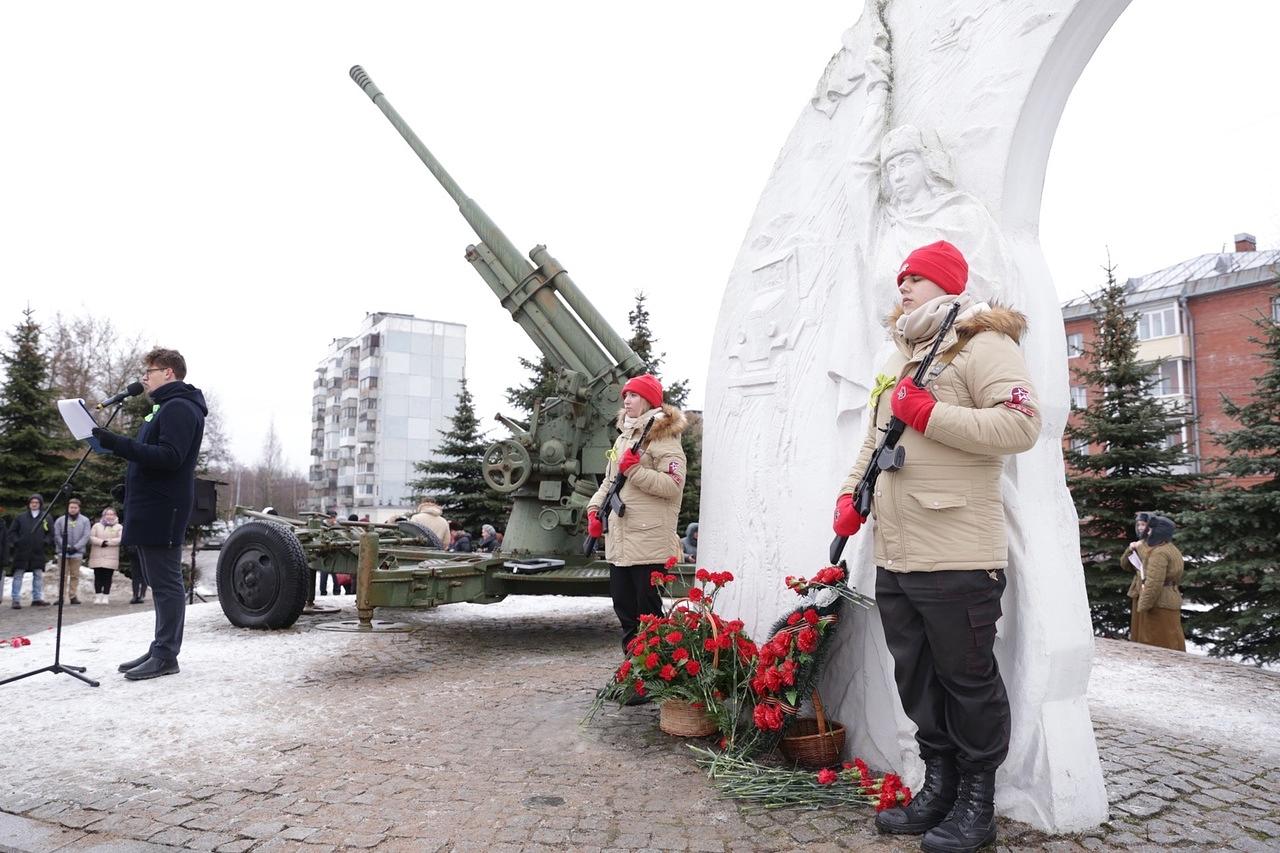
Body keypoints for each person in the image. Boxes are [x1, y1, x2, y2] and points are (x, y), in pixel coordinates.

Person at [833, 241, 1040, 852]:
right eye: (901, 278)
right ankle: (939, 787)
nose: (903, 286)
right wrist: (849, 500)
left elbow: (1022, 425)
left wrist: (928, 415)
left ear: (947, 285)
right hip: (898, 552)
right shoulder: (906, 358)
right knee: (917, 679)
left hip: (958, 553)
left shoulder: (983, 344)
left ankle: (977, 804)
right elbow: (874, 449)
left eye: (916, 277)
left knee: (967, 680)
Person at [91, 347, 206, 681]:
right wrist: (130, 488)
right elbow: (153, 460)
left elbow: (170, 457)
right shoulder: (163, 409)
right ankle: (159, 647)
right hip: (151, 505)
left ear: (168, 372)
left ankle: (167, 654)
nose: (145, 377)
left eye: (150, 371)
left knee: (167, 583)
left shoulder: (180, 408)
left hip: (163, 509)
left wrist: (117, 443)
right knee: (157, 581)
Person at [587, 373, 688, 653]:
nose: (626, 401)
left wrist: (635, 470)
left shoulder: (663, 436)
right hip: (622, 541)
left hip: (650, 543)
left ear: (648, 400)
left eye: (632, 395)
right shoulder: (624, 438)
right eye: (625, 396)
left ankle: (653, 673)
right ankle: (635, 668)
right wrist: (594, 509)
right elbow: (610, 481)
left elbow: (673, 485)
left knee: (649, 615)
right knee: (624, 608)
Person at [1131, 515, 1185, 651]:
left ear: (1158, 531)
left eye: (1150, 529)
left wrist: (1143, 606)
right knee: (1173, 638)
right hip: (1169, 598)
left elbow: (1154, 583)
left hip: (1159, 602)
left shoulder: (1159, 553)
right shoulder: (1171, 548)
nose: (1146, 532)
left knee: (1158, 642)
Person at [8, 494, 53, 609]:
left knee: (38, 574)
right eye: (32, 502)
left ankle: (37, 598)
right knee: (18, 574)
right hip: (22, 550)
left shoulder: (46, 517)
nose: (34, 504)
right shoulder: (20, 517)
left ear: (40, 504)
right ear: (29, 504)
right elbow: (12, 532)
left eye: (36, 502)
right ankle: (16, 599)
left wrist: (45, 542)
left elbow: (50, 533)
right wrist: (17, 542)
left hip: (38, 551)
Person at [51, 497, 91, 605]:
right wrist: (65, 546)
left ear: (79, 508)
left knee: (75, 575)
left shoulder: (85, 520)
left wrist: (76, 547)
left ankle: (73, 595)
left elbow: (86, 535)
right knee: (62, 575)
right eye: (71, 507)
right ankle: (61, 597)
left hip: (77, 553)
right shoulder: (60, 520)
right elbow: (57, 535)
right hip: (63, 552)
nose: (73, 509)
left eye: (75, 507)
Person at [1121, 512, 1152, 641]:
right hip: (1137, 588)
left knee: (1147, 622)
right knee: (1137, 623)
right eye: (1138, 524)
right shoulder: (1139, 543)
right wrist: (1130, 549)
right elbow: (1125, 565)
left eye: (1143, 524)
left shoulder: (1156, 544)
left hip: (1148, 586)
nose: (1140, 527)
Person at [89, 506, 124, 605]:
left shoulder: (119, 527)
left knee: (108, 577)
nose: (109, 516)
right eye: (107, 514)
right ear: (104, 515)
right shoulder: (97, 526)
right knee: (98, 576)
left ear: (115, 516)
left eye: (111, 514)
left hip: (111, 556)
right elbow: (91, 537)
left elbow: (120, 539)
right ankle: (98, 595)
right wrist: (101, 542)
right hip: (97, 555)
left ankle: (105, 596)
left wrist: (109, 542)